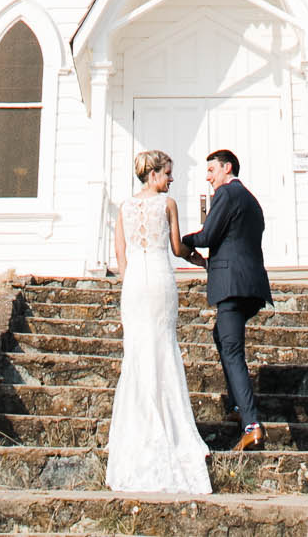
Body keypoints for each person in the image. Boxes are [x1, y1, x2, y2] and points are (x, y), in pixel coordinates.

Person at [104, 149, 213, 495]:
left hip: (135, 283)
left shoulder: (124, 207)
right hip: (160, 281)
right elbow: (177, 246)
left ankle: (136, 431)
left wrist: (129, 279)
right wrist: (200, 259)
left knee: (137, 352)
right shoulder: (167, 204)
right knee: (163, 348)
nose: (170, 180)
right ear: (153, 175)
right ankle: (168, 428)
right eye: (168, 174)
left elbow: (120, 253)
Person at [179, 148, 271, 450]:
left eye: (211, 171)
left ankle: (251, 423)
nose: (208, 178)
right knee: (221, 335)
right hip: (251, 285)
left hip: (232, 285)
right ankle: (235, 406)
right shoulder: (251, 200)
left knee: (232, 351)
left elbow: (207, 236)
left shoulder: (227, 195)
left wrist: (182, 240)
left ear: (227, 168)